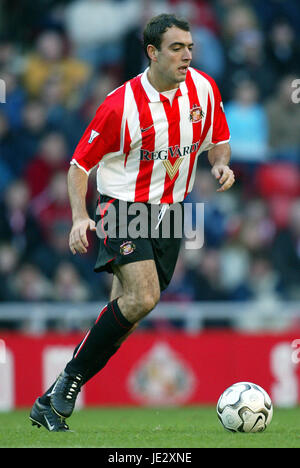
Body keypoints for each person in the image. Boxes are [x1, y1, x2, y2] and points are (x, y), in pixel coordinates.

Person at [29, 13, 235, 432]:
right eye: (177, 48)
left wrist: (221, 166)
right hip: (123, 207)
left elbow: (219, 142)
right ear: (152, 52)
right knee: (143, 297)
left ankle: (49, 397)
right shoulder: (120, 105)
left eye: (190, 47)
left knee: (125, 316)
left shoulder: (204, 89)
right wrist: (80, 217)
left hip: (171, 213)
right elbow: (77, 166)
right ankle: (68, 383)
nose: (187, 56)